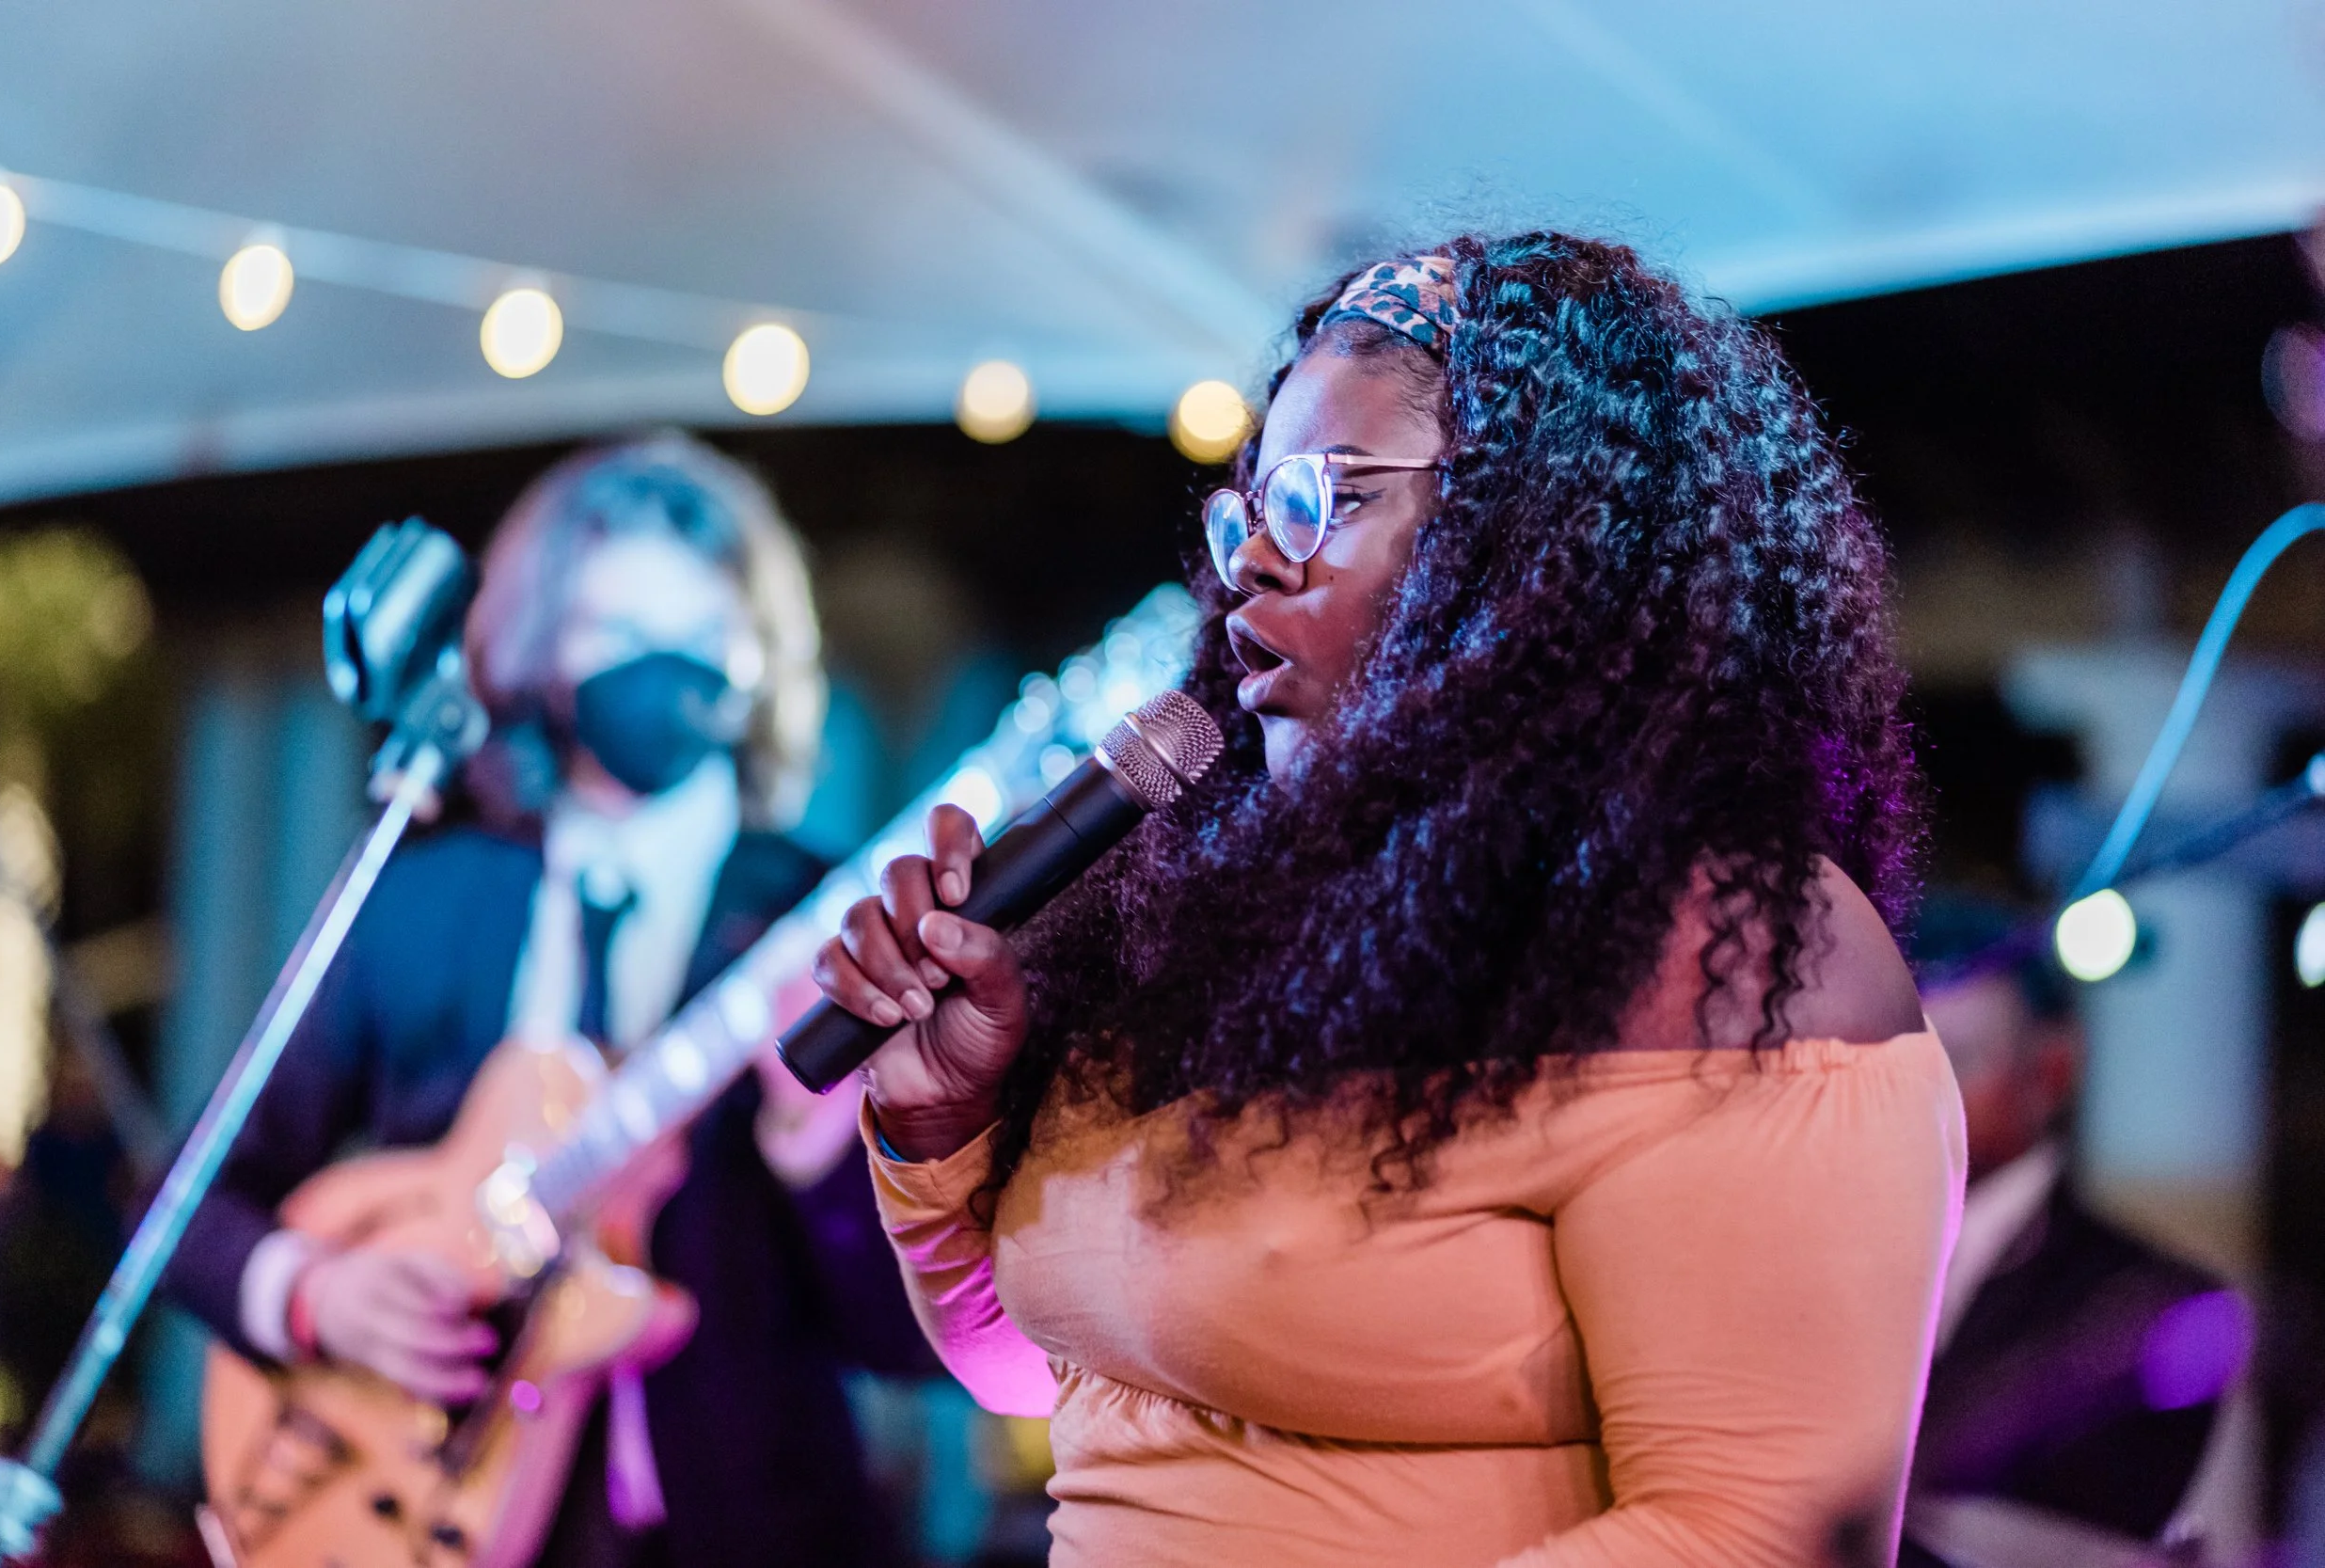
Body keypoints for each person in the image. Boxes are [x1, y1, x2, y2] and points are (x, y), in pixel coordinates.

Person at [815, 234, 1966, 1565]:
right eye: (1249, 506)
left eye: (1327, 497)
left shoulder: (1738, 950)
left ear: (1538, 546)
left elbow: (1752, 1534)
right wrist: (942, 1124)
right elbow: (1046, 1371)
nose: (1254, 558)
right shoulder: (1204, 921)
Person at [166, 433, 932, 1568]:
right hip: (423, 1506)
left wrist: (821, 1154)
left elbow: (915, 1340)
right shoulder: (421, 901)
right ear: (536, 655)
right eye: (618, 635)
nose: (662, 670)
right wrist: (315, 1294)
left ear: (760, 659)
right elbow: (186, 1201)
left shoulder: (826, 923)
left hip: (745, 1527)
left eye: (702, 637)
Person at [1903, 892, 2246, 1562]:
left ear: (2051, 1069)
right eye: (1902, 1065)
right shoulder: (1824, 1260)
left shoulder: (2153, 1298)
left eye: (1959, 1059)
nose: (1924, 1096)